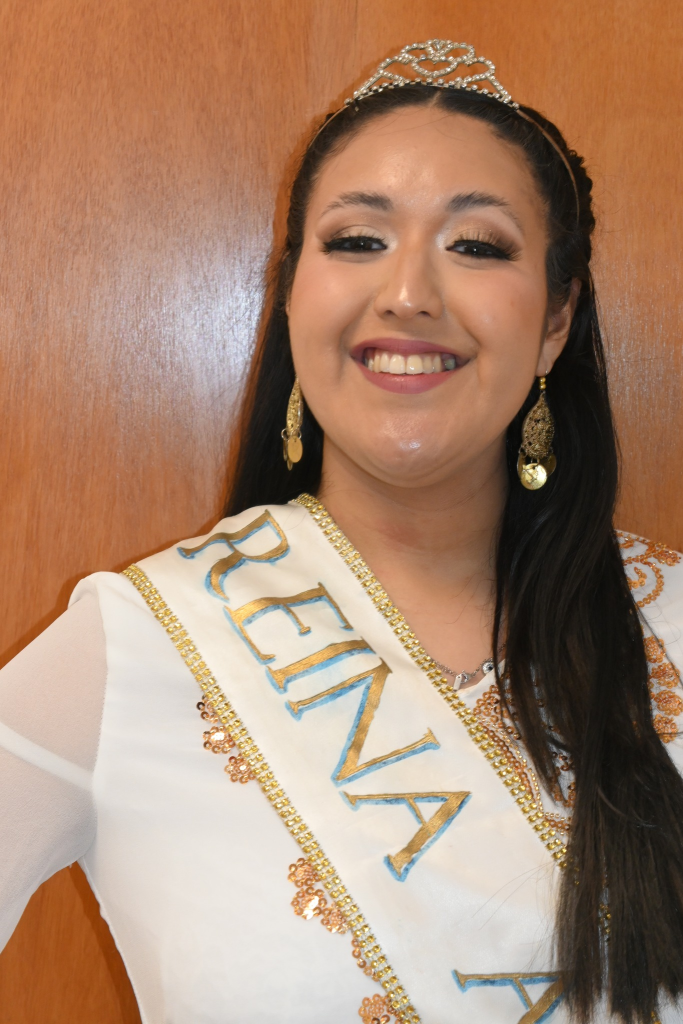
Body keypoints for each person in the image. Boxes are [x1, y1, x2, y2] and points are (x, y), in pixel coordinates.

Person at [1, 39, 683, 1024]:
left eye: (476, 246)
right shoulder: (135, 647)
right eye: (357, 240)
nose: (406, 292)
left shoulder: (671, 621)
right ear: (290, 295)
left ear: (555, 319)